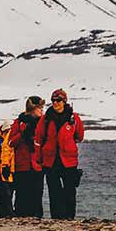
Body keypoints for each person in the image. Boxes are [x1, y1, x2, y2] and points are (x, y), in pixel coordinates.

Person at [36, 89, 84, 219]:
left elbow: (79, 136)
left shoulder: (73, 118)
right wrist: (39, 158)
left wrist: (69, 144)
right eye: (53, 101)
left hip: (68, 161)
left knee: (70, 190)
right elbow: (39, 138)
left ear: (64, 101)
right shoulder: (45, 119)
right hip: (51, 160)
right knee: (54, 191)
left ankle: (69, 217)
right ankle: (57, 217)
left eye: (58, 100)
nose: (55, 103)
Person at [7, 97, 45, 218]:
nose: (41, 111)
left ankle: (37, 217)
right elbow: (11, 142)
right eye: (39, 108)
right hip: (22, 165)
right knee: (22, 195)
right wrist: (22, 133)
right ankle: (20, 217)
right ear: (32, 109)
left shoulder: (43, 123)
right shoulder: (19, 123)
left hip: (37, 164)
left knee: (37, 194)